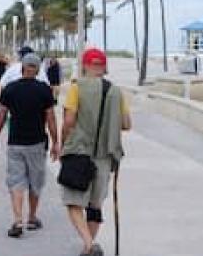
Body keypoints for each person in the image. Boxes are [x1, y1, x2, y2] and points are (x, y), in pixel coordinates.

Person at [61, 48, 132, 256]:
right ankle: (88, 247)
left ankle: (89, 244)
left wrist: (64, 141)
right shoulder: (116, 91)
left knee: (74, 202)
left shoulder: (77, 88)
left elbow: (69, 120)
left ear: (84, 66)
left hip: (79, 152)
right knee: (94, 206)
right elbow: (127, 124)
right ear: (104, 67)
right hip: (104, 157)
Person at [0, 53, 60, 238]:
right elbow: (51, 118)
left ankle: (17, 220)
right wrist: (55, 142)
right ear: (37, 70)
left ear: (22, 67)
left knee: (16, 181)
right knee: (35, 181)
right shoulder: (44, 90)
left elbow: (1, 116)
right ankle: (32, 217)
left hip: (15, 143)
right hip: (37, 143)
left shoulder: (11, 89)